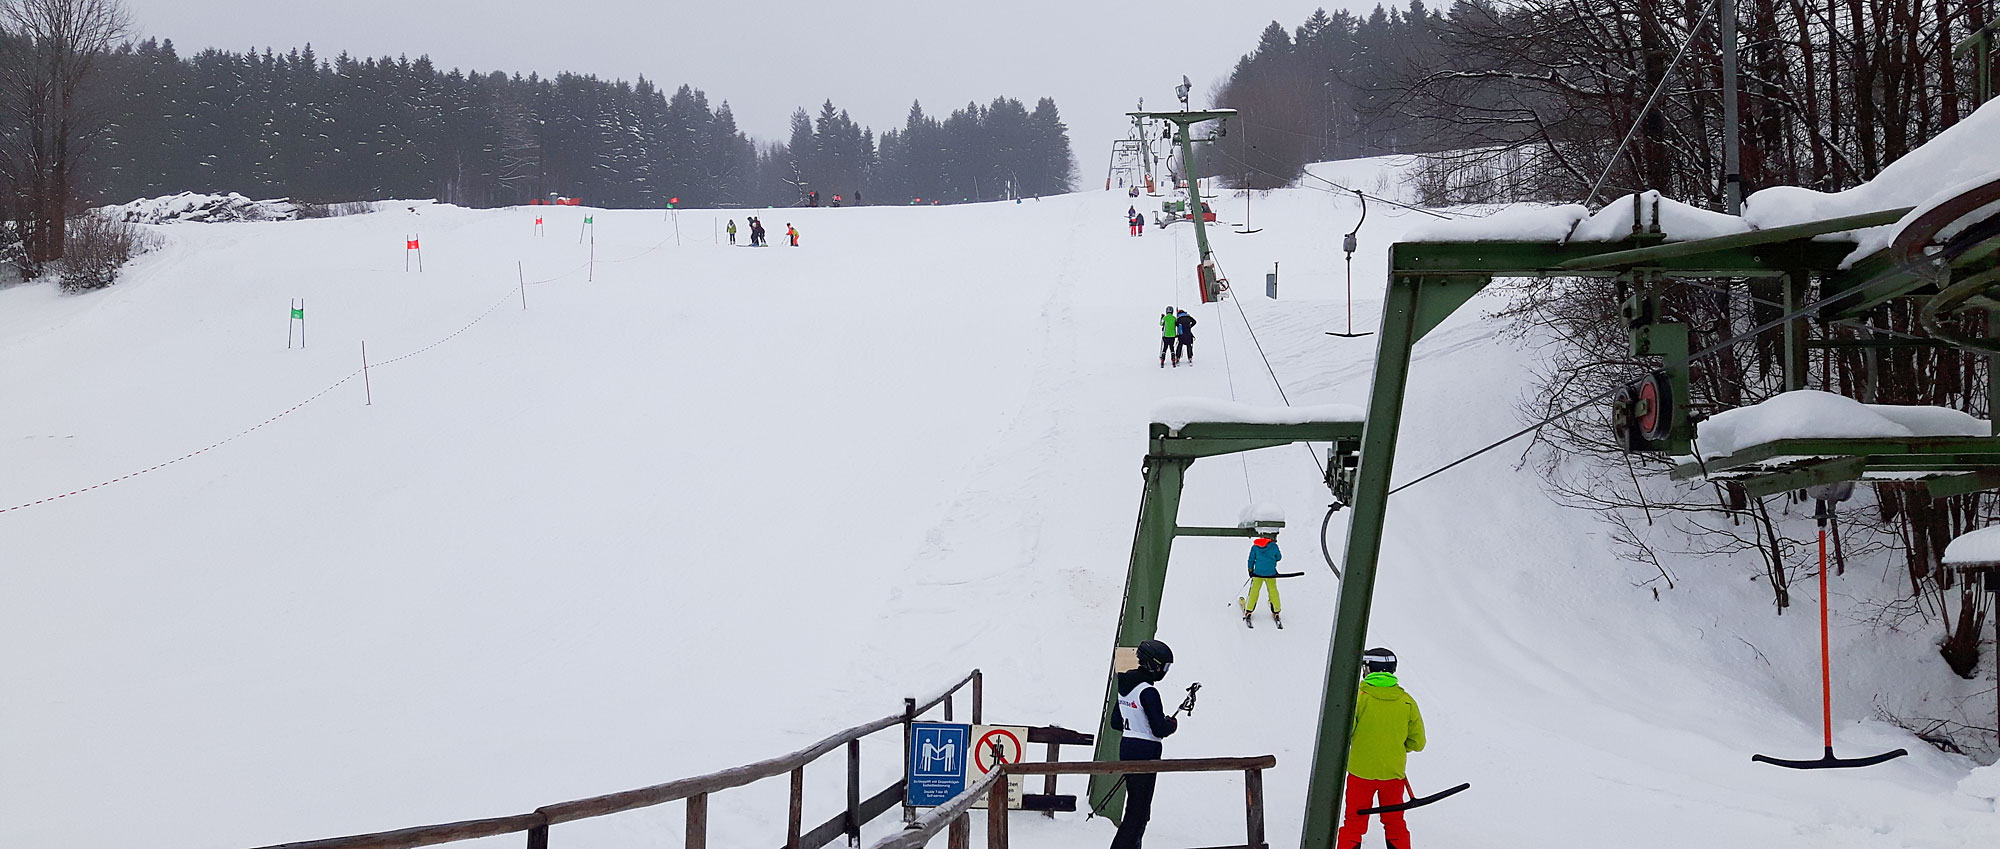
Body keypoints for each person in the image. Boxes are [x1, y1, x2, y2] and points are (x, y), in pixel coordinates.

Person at [1337, 648, 1426, 849]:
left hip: (1361, 774)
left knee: (1353, 824)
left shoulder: (1359, 698)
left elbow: (1344, 734)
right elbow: (1417, 743)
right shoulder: (1406, 701)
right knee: (1395, 823)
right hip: (1393, 775)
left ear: (1368, 669)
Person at [1111, 639, 1178, 849]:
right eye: (1164, 667)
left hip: (1127, 745)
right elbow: (1159, 729)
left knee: (1135, 807)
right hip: (1146, 749)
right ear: (1154, 664)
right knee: (1139, 811)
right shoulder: (1148, 691)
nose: (1165, 672)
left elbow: (1115, 721)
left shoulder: (1125, 685)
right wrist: (1171, 724)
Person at [1240, 529, 1280, 627]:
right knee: (1273, 591)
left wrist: (1250, 570)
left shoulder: (1255, 547)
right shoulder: (1274, 546)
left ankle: (1249, 610)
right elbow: (1279, 557)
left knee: (1254, 591)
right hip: (1270, 574)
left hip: (1257, 574)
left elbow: (1251, 559)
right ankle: (1276, 610)